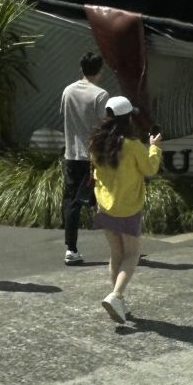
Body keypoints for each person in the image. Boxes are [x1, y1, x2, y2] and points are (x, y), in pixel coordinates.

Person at [88, 96, 162, 324]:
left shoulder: (96, 142)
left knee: (116, 254)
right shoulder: (132, 144)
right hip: (128, 207)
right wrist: (155, 148)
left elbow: (95, 172)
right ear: (127, 117)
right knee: (132, 254)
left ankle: (118, 301)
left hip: (104, 205)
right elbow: (150, 169)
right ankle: (116, 295)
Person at [60, 51, 109, 266]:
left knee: (72, 203)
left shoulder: (68, 91)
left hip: (72, 154)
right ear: (100, 70)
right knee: (107, 199)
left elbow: (64, 116)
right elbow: (104, 126)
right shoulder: (101, 95)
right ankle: (122, 244)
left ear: (81, 68)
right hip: (94, 156)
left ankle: (71, 249)